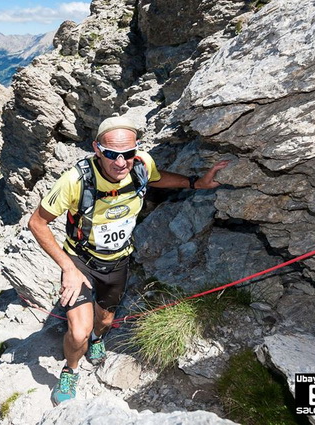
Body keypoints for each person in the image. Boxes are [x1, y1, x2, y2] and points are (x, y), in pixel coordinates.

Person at [28, 116, 229, 405]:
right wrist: (68, 268)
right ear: (97, 149)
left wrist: (197, 183)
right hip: (81, 261)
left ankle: (97, 340)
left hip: (118, 261)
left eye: (128, 154)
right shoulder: (76, 180)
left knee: (106, 319)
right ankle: (70, 370)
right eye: (111, 154)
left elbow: (158, 178)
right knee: (79, 330)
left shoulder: (142, 164)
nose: (121, 162)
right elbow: (37, 223)